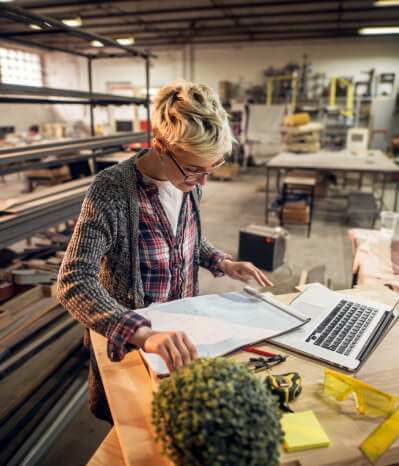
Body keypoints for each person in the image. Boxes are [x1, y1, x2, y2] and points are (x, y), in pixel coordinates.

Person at [57, 80, 272, 424]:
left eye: (211, 168)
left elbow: (183, 242)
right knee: (135, 433)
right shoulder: (112, 191)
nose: (203, 182)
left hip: (183, 341)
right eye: (194, 170)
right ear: (159, 146)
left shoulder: (188, 184)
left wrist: (223, 262)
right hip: (136, 347)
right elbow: (73, 281)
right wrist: (143, 334)